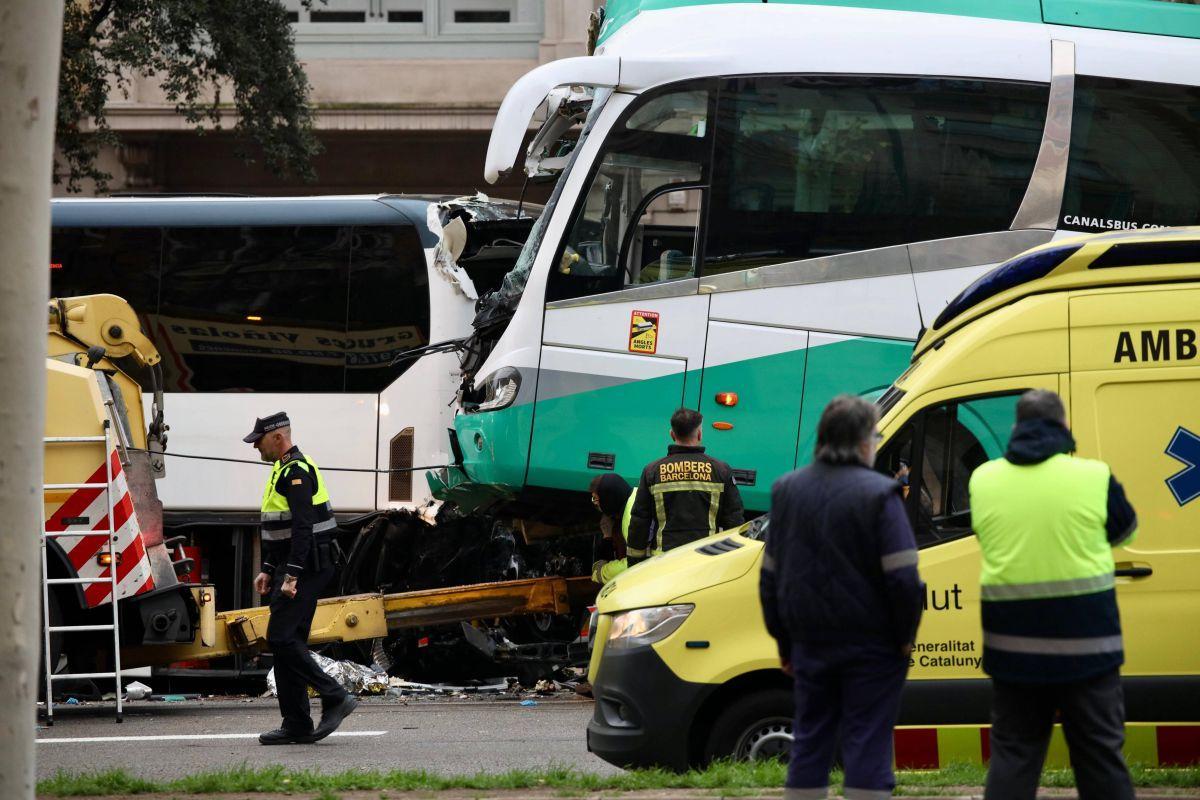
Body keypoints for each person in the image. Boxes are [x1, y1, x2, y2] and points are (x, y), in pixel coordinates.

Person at [970, 390, 1137, 800]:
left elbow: (986, 531)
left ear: (1016, 429)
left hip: (1014, 655)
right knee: (1099, 758)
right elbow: (1124, 530)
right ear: (1064, 427)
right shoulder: (1095, 476)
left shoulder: (983, 479)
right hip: (1089, 651)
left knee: (1014, 756)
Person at [760, 395, 923, 799]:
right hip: (874, 645)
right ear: (865, 441)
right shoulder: (881, 494)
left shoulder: (787, 490)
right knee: (867, 742)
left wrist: (785, 644)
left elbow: (769, 581)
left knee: (811, 740)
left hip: (810, 643)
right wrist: (905, 636)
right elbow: (903, 579)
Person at [245, 412, 358, 745]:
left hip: (307, 567)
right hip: (299, 565)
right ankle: (296, 723)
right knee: (286, 642)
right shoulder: (282, 469)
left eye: (259, 441)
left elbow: (302, 528)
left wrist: (291, 575)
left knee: (280, 638)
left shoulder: (297, 472)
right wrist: (268, 567)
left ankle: (334, 695)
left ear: (278, 438)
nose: (255, 448)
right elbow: (278, 527)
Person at [627, 408, 744, 566]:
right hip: (705, 562)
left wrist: (634, 564)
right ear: (700, 434)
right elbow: (734, 521)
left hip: (662, 563)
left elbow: (639, 521)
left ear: (672, 434)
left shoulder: (652, 471)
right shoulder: (721, 470)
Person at [589, 474, 635, 584]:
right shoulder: (635, 497)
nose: (596, 503)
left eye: (596, 499)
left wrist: (602, 572)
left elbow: (634, 564)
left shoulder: (631, 517)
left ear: (608, 498)